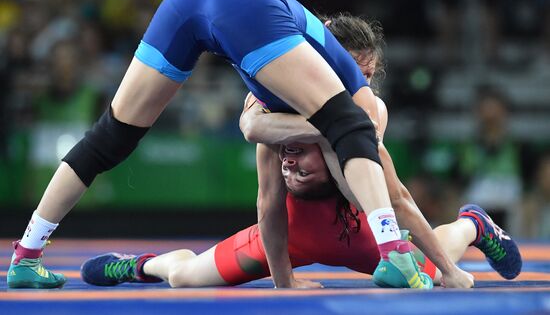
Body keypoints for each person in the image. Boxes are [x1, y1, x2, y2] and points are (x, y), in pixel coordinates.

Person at [6, 0, 463, 289]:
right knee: (351, 125)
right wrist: (415, 258)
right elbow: (378, 184)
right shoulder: (357, 100)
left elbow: (257, 130)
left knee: (111, 136)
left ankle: (26, 255)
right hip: (248, 10)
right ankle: (395, 254)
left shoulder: (279, 95)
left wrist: (267, 127)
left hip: (191, 2)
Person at [80, 73, 520, 288]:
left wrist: (449, 269)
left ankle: (472, 225)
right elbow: (268, 205)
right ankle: (140, 265)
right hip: (291, 234)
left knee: (433, 266)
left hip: (361, 234)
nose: (291, 162)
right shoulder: (270, 122)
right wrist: (283, 280)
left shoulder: (354, 124)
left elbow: (399, 200)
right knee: (184, 279)